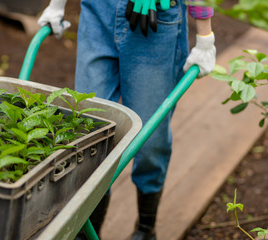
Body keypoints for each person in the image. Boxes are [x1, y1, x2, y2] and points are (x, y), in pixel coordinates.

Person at [38, 0, 215, 239]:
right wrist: (57, 5)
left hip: (156, 22)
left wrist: (205, 37)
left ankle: (145, 228)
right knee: (89, 132)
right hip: (97, 15)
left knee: (151, 143)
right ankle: (87, 230)